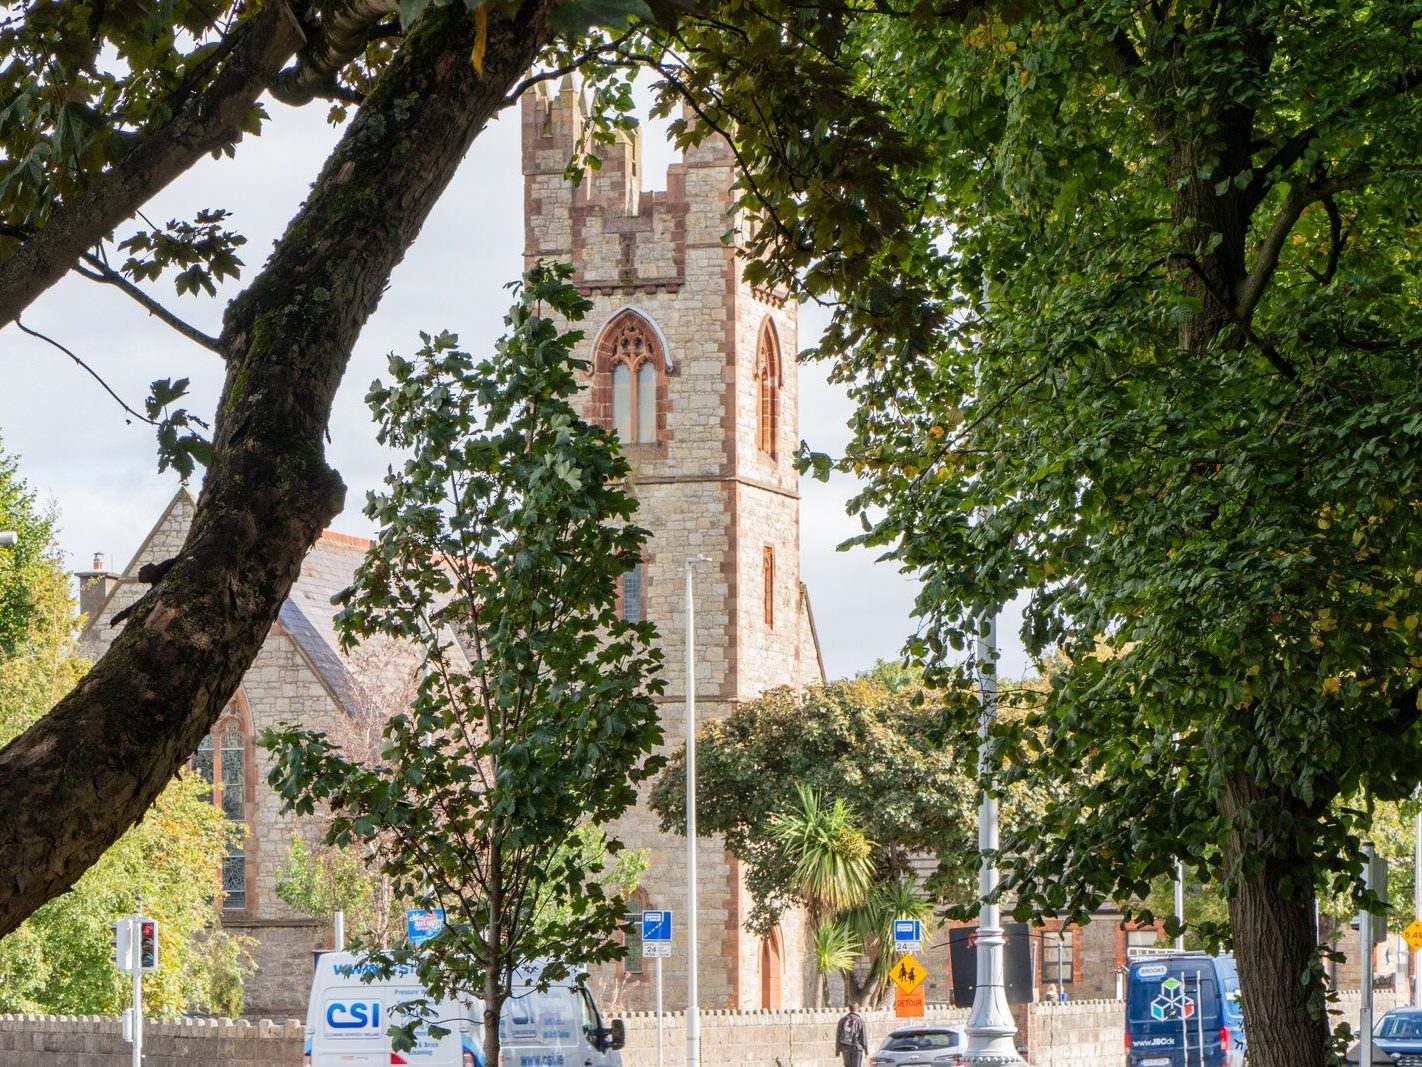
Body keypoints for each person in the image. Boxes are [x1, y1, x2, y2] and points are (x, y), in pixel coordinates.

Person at [836, 1003, 869, 1067]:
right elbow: (863, 1037)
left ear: (849, 1009)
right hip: (857, 1048)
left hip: (845, 1048)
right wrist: (866, 1051)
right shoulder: (860, 1021)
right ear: (857, 1009)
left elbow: (838, 1036)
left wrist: (838, 1051)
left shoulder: (842, 1020)